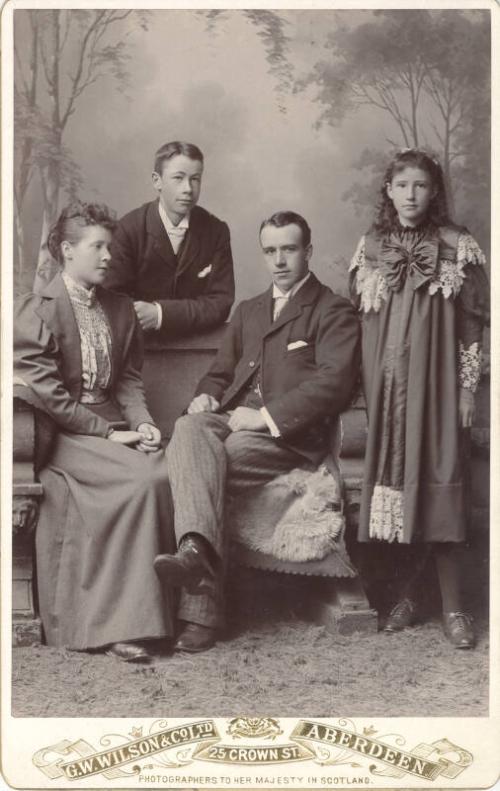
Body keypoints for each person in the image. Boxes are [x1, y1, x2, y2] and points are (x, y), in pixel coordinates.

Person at [153, 211, 361, 653]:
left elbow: (333, 383)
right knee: (189, 427)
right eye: (270, 251)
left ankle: (201, 612)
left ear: (308, 251)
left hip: (287, 437)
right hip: (230, 423)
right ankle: (194, 550)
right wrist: (205, 397)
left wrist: (265, 418)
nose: (279, 260)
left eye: (289, 249)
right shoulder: (249, 310)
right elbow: (218, 374)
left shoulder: (332, 310)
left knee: (204, 466)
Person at [14, 201, 176, 663]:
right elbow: (50, 398)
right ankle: (119, 626)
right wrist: (108, 435)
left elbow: (127, 381)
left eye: (111, 247)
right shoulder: (36, 310)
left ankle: (161, 618)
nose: (108, 256)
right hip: (64, 433)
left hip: (112, 427)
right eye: (97, 247)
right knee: (142, 480)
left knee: (166, 469)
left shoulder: (120, 309)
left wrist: (142, 422)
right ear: (67, 250)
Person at [349, 148, 489, 649]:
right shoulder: (371, 247)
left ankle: (453, 607)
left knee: (441, 480)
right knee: (398, 485)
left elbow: (474, 324)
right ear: (388, 190)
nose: (411, 195)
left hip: (439, 386)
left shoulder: (457, 245)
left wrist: (467, 390)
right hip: (389, 391)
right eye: (402, 185)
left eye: (421, 186)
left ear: (435, 192)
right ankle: (408, 595)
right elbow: (362, 324)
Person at [105, 141, 235, 337]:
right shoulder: (128, 229)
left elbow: (221, 303)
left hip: (198, 344)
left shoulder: (216, 231)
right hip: (139, 347)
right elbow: (112, 299)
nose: (188, 189)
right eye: (178, 178)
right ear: (157, 181)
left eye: (195, 179)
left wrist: (160, 314)